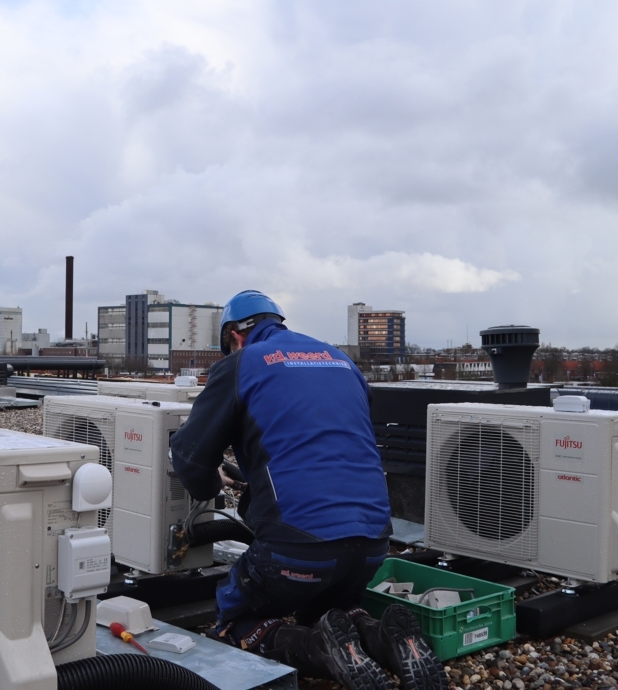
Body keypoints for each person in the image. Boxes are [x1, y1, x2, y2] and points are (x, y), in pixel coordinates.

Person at [169, 290, 446, 690]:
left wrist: (211, 484)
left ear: (235, 335)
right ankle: (387, 640)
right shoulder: (341, 360)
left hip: (297, 549)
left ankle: (320, 651)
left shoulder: (241, 363)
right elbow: (320, 442)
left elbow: (190, 456)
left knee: (234, 617)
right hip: (371, 544)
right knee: (330, 608)